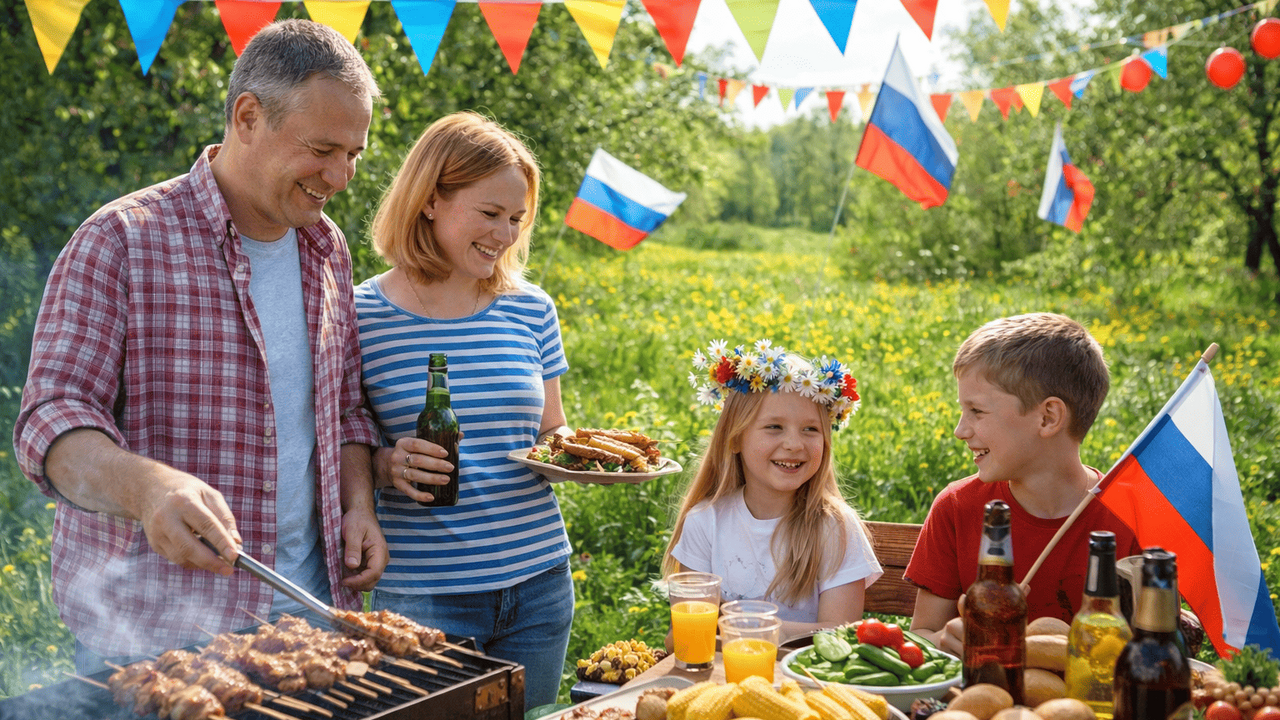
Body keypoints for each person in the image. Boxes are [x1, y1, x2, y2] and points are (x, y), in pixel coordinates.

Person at [13, 19, 386, 673]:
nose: (341, 174)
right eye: (324, 149)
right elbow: (50, 424)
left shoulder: (327, 248)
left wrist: (358, 505)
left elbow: (345, 410)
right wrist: (147, 489)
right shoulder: (121, 240)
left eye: (354, 153)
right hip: (153, 638)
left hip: (309, 619)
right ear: (248, 117)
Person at [354, 112, 572, 708]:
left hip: (539, 583)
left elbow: (552, 429)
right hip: (425, 598)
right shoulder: (360, 314)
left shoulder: (532, 309)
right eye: (490, 213)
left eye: (516, 219)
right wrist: (386, 466)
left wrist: (577, 456)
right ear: (430, 200)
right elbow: (337, 445)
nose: (505, 234)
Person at [906, 312, 1142, 656]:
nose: (960, 430)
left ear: (1048, 417)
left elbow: (1144, 654)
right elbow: (922, 634)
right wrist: (947, 639)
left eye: (976, 411)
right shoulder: (957, 508)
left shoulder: (1129, 519)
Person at [662, 340, 882, 640]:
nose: (794, 444)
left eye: (811, 429)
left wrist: (734, 620)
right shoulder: (705, 522)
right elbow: (683, 638)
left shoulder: (835, 528)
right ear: (735, 438)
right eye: (774, 427)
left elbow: (839, 637)